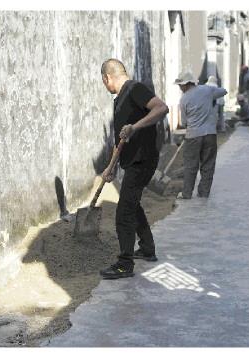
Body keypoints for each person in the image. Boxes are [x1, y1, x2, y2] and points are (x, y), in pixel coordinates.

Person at [99, 59, 169, 280]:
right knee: (132, 203)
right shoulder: (119, 100)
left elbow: (161, 108)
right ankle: (147, 248)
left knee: (124, 212)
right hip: (132, 161)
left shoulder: (135, 89)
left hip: (143, 160)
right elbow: (120, 140)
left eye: (103, 81)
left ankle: (124, 264)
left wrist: (135, 127)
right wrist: (110, 167)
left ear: (107, 78)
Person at [174, 71, 227, 199]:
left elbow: (184, 122)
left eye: (180, 85)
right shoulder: (207, 90)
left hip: (193, 136)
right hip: (210, 134)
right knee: (208, 164)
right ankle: (204, 193)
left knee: (190, 165)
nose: (180, 88)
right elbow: (224, 91)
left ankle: (187, 193)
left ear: (186, 84)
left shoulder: (184, 99)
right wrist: (210, 96)